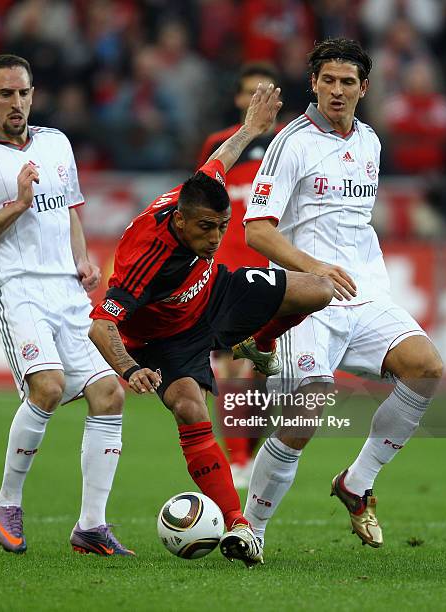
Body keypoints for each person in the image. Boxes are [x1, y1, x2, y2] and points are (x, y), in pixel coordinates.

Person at [88, 82, 334, 567]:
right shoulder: (148, 257)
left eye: (221, 226)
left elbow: (217, 161)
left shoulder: (194, 197)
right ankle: (239, 523)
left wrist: (250, 129)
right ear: (179, 221)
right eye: (205, 227)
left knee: (319, 288)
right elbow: (101, 324)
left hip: (214, 294)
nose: (216, 235)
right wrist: (129, 367)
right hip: (164, 336)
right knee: (189, 408)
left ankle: (254, 343)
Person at [242, 38, 443, 550]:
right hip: (306, 298)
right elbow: (257, 230)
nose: (336, 90)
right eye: (327, 80)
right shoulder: (292, 142)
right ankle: (252, 530)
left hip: (366, 294)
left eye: (347, 82)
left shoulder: (370, 141)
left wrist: (347, 273)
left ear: (364, 88)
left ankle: (357, 483)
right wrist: (315, 269)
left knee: (426, 367)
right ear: (313, 84)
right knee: (305, 413)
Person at [0, 54, 132, 557]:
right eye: (5, 94)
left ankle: (91, 527)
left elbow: (71, 206)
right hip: (16, 288)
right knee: (46, 387)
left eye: (23, 93)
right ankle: (7, 502)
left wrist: (82, 259)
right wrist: (18, 203)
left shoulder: (56, 143)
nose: (16, 103)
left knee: (110, 393)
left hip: (66, 292)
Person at [197, 63, 284, 488]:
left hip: (272, 269)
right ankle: (237, 459)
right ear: (238, 99)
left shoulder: (290, 144)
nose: (258, 102)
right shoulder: (219, 146)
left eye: (264, 93)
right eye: (250, 93)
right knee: (231, 369)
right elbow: (202, 202)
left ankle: (247, 451)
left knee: (265, 375)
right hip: (226, 273)